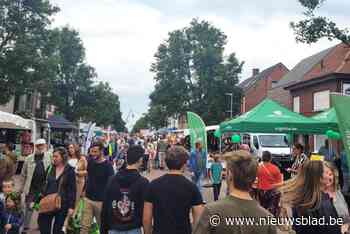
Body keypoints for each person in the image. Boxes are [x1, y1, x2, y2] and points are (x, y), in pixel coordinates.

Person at [193, 150, 276, 234]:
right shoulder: (268, 218)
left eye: (226, 170)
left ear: (230, 175)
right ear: (254, 179)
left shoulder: (211, 212)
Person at [143, 146, 204, 234]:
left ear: (166, 162)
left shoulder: (153, 185)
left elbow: (146, 218)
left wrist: (147, 232)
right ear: (184, 164)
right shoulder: (191, 187)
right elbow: (198, 217)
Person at [282, 160, 342, 234]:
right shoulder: (323, 203)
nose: (330, 175)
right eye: (327, 172)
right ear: (319, 178)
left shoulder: (300, 200)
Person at [101, 145, 149, 234]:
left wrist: (103, 230)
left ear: (126, 160)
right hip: (133, 228)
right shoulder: (143, 183)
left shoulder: (112, 180)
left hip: (114, 228)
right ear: (140, 160)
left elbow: (105, 207)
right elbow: (146, 212)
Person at [38, 147, 76, 234]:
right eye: (53, 156)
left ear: (63, 157)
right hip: (48, 202)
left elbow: (72, 190)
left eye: (56, 156)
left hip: (62, 204)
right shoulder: (50, 168)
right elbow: (43, 185)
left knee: (58, 230)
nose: (54, 159)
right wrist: (36, 201)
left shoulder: (70, 170)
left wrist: (71, 207)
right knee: (43, 225)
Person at [80, 142, 114, 234]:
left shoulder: (108, 166)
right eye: (92, 152)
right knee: (84, 226)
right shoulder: (90, 162)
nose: (93, 154)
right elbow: (88, 177)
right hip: (88, 199)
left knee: (102, 227)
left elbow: (111, 184)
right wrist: (83, 190)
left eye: (95, 152)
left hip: (101, 202)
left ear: (101, 151)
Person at [20, 139, 52, 234]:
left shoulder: (50, 157)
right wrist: (22, 188)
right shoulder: (29, 158)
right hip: (31, 188)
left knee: (42, 208)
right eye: (38, 146)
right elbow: (23, 174)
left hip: (44, 189)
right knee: (28, 208)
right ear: (35, 147)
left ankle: (40, 225)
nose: (40, 147)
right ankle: (25, 228)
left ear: (45, 146)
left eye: (42, 145)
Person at [323, 161, 350, 230]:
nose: (327, 177)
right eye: (324, 174)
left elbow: (346, 215)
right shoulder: (318, 197)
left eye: (330, 174)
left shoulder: (338, 192)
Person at [256, 151, 283, 217]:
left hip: (261, 191)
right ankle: (271, 224)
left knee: (262, 209)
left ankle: (263, 222)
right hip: (272, 192)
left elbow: (255, 180)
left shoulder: (258, 168)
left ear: (262, 158)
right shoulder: (275, 169)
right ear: (270, 158)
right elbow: (280, 183)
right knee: (272, 210)